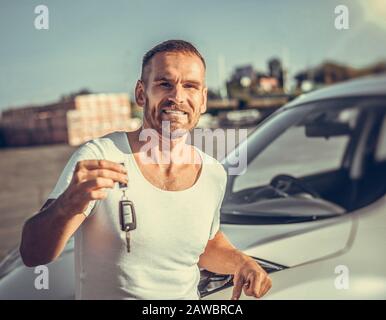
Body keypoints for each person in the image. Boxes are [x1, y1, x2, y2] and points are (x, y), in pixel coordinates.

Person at [20, 40, 271, 300]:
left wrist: (241, 262)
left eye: (190, 86)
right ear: (141, 93)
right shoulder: (100, 157)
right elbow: (32, 254)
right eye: (165, 84)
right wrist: (66, 206)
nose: (177, 96)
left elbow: (204, 244)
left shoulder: (213, 173)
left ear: (203, 99)